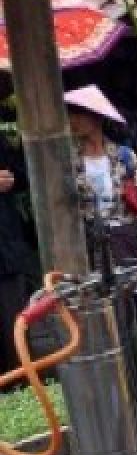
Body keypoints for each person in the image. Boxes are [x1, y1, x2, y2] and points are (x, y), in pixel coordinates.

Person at [64, 85, 137, 266]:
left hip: (124, 240)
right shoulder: (67, 162)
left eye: (79, 114)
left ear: (97, 116)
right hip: (87, 245)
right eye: (70, 115)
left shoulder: (125, 157)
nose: (73, 121)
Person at [0, 133, 35, 378]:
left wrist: (12, 178)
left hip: (8, 251)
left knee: (16, 328)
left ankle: (23, 387)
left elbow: (25, 174)